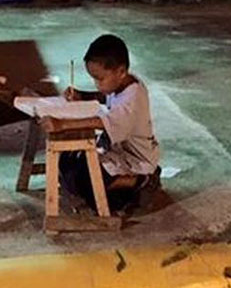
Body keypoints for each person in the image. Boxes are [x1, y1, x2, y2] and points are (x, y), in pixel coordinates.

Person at [40, 34, 160, 213]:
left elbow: (102, 122)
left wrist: (62, 124)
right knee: (66, 162)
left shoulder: (132, 98)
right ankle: (120, 184)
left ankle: (141, 180)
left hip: (136, 161)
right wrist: (82, 95)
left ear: (121, 72)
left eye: (100, 79)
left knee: (94, 193)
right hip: (117, 153)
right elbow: (106, 96)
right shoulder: (122, 82)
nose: (97, 84)